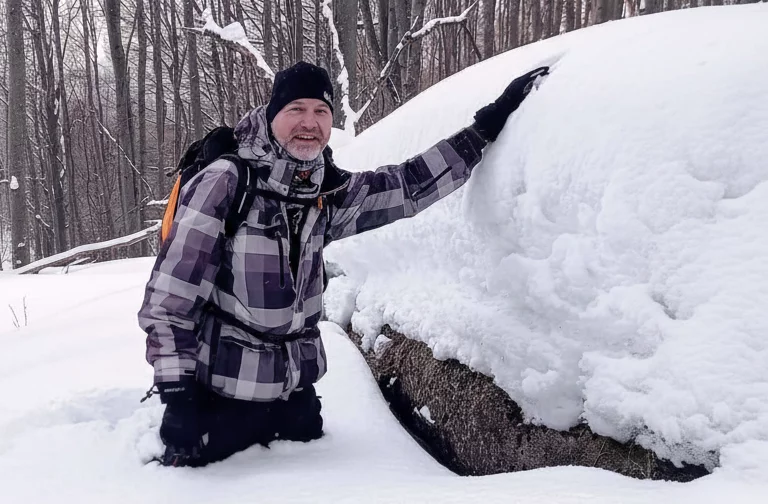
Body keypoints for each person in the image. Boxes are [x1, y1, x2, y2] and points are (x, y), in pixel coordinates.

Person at [138, 61, 548, 467]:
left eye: (320, 112)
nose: (309, 122)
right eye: (295, 109)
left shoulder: (324, 191)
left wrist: (483, 131)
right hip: (221, 392)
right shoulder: (227, 181)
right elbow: (171, 297)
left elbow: (407, 186)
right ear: (271, 114)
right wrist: (178, 395)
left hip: (291, 394)